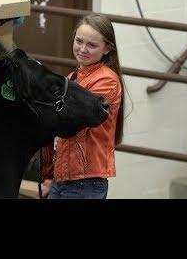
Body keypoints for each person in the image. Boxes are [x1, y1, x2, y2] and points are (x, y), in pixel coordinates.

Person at [41, 13, 124, 199]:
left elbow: (72, 121)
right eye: (79, 41)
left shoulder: (107, 80)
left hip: (85, 180)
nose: (82, 49)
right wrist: (49, 175)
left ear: (107, 48)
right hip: (63, 178)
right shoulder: (73, 76)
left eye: (92, 45)